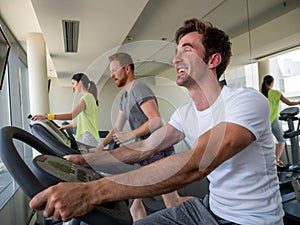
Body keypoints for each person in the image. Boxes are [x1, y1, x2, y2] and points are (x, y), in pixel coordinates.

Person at [30, 18, 284, 224]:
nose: (175, 59)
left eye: (187, 49)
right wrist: (90, 159)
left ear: (213, 60)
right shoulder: (185, 113)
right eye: (176, 52)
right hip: (209, 208)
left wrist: (93, 192)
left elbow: (198, 164)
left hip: (252, 220)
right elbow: (147, 147)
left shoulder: (247, 102)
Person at [90, 52, 190, 221]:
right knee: (136, 203)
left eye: (115, 70)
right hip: (142, 151)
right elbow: (117, 127)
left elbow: (156, 120)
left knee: (171, 202)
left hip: (156, 148)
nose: (112, 74)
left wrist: (130, 135)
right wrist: (99, 148)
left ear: (127, 69)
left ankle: (202, 209)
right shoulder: (125, 97)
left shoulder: (139, 88)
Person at [31, 73, 100, 147]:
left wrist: (47, 116)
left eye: (73, 83)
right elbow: (85, 123)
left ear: (80, 83)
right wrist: (67, 126)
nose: (73, 87)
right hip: (90, 136)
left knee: (81, 158)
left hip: (88, 137)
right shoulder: (90, 97)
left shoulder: (86, 98)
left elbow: (70, 116)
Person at [261, 75, 300, 167]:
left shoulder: (261, 94)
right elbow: (289, 103)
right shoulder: (276, 93)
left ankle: (267, 161)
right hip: (273, 119)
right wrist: (298, 102)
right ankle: (276, 160)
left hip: (263, 120)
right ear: (272, 83)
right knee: (281, 140)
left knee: (265, 142)